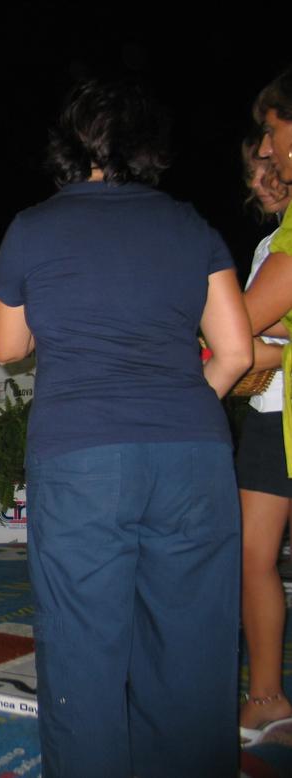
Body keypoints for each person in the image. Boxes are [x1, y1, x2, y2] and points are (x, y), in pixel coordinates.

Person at [0, 80, 251, 776]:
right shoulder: (190, 224)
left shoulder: (33, 227)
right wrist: (178, 403)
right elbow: (234, 352)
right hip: (192, 455)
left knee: (83, 646)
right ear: (147, 146)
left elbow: (7, 347)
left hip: (81, 457)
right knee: (192, 644)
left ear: (69, 146)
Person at [241, 67, 292, 733]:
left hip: (280, 414)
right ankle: (265, 696)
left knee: (255, 560)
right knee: (253, 559)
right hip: (269, 418)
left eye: (272, 136)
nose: (266, 156)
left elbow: (243, 329)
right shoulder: (269, 243)